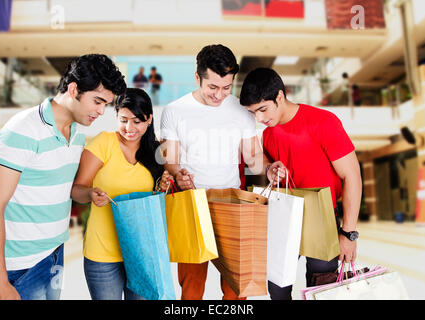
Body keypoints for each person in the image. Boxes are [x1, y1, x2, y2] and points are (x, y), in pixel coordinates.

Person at [0, 54, 126, 300]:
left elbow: (63, 189)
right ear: (73, 89)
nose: (102, 112)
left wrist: (89, 194)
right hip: (21, 266)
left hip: (54, 254)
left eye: (106, 104)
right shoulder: (22, 129)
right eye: (98, 101)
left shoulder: (77, 133)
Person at [160, 44, 284, 300]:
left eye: (227, 87)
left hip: (232, 203)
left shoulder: (241, 111)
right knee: (192, 284)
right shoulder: (174, 111)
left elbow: (252, 156)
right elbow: (170, 160)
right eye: (213, 87)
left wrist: (269, 168)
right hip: (193, 205)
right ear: (197, 78)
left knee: (236, 286)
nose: (219, 95)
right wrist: (178, 172)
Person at [239, 67, 362, 300]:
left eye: (262, 109)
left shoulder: (323, 122)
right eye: (253, 113)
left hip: (322, 218)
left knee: (321, 289)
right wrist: (270, 168)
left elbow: (352, 176)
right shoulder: (269, 133)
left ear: (279, 96)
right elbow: (264, 161)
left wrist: (348, 233)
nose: (260, 119)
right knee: (277, 288)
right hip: (283, 217)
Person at [71, 88, 171, 300]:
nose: (129, 128)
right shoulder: (103, 143)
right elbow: (76, 189)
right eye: (123, 120)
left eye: (137, 121)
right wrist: (89, 194)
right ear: (115, 116)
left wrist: (163, 187)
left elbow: (156, 203)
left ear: (149, 119)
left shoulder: (156, 152)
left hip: (142, 253)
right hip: (102, 255)